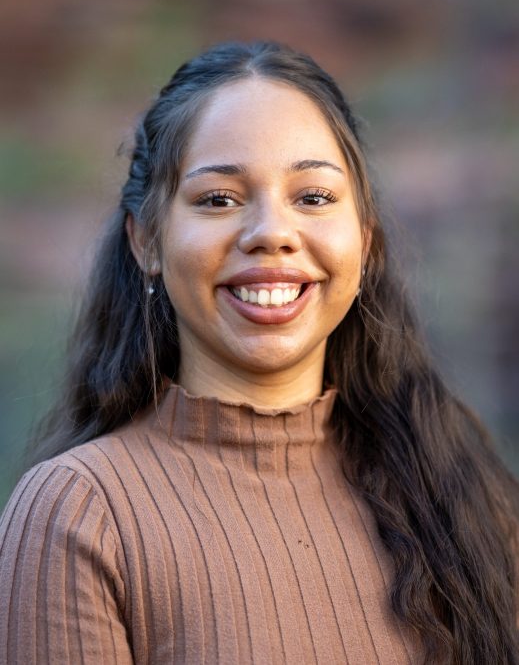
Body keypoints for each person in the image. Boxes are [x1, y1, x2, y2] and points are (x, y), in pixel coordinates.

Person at [0, 41, 517, 665]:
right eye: (219, 199)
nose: (272, 232)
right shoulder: (80, 513)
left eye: (314, 198)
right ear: (147, 242)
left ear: (365, 239)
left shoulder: (458, 496)